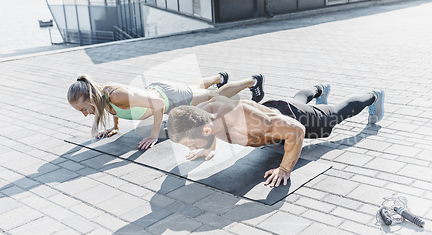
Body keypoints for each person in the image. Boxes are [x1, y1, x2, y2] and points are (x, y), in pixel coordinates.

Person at [166, 84, 385, 187]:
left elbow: (296, 130)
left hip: (295, 118)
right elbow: (207, 124)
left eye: (192, 143)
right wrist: (207, 147)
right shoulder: (204, 113)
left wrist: (284, 168)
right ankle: (318, 89)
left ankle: (373, 95)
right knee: (294, 102)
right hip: (274, 113)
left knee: (334, 116)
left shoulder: (241, 118)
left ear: (204, 130)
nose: (190, 148)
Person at [67, 72, 265, 150]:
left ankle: (253, 80)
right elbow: (112, 109)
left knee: (213, 96)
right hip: (160, 92)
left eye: (84, 109)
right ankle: (218, 76)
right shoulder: (101, 96)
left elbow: (159, 104)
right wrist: (115, 127)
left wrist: (154, 135)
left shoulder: (117, 95)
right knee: (194, 90)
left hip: (168, 98)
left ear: (91, 97)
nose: (85, 114)